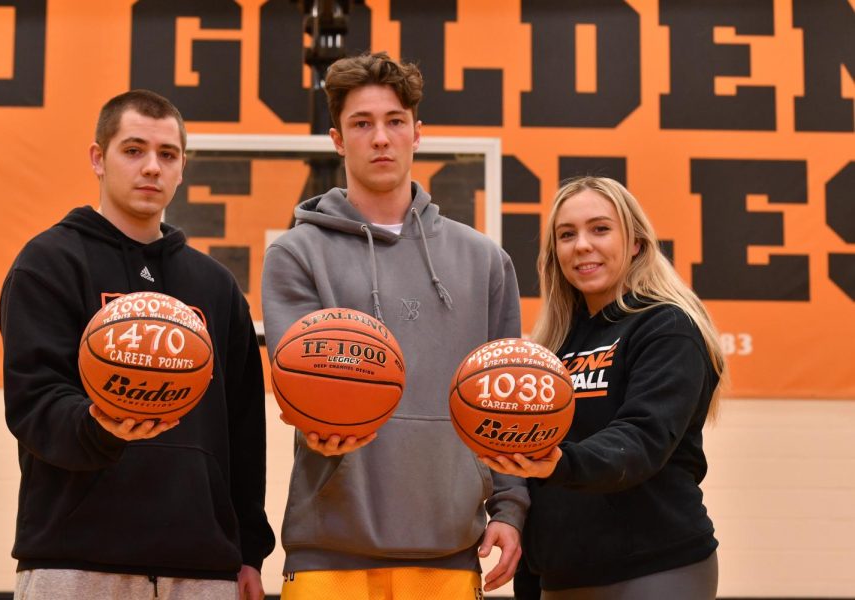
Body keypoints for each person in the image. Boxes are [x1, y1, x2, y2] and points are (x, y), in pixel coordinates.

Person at [261, 51, 529, 599]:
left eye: (394, 122)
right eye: (362, 124)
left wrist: (510, 505)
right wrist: (324, 420)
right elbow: (304, 397)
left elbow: (508, 404)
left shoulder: (484, 261)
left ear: (416, 132)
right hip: (329, 549)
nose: (380, 138)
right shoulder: (296, 254)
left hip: (449, 550)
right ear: (338, 139)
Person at [0, 89, 274, 600]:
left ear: (182, 167)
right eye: (133, 150)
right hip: (75, 559)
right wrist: (98, 423)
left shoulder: (216, 285)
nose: (151, 167)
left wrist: (248, 552)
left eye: (166, 154)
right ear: (98, 158)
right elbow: (32, 402)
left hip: (201, 567)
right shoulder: (48, 263)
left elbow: (243, 431)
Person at [484, 176, 724, 600]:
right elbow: (537, 479)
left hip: (655, 566)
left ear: (635, 242)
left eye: (600, 228)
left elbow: (642, 439)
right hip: (561, 575)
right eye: (566, 235)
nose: (581, 245)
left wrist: (558, 461)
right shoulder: (552, 347)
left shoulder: (667, 327)